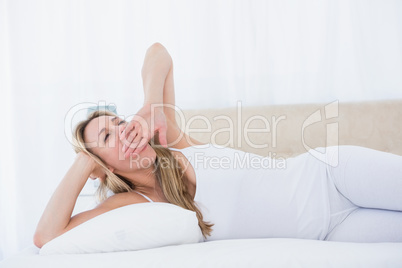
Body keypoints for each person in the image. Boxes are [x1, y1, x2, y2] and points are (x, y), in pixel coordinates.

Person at [33, 43, 402, 248]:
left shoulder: (169, 138)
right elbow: (46, 237)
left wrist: (149, 106)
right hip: (331, 232)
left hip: (331, 176)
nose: (123, 130)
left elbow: (158, 53)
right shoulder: (137, 204)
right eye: (107, 137)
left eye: (118, 121)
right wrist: (83, 162)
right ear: (104, 167)